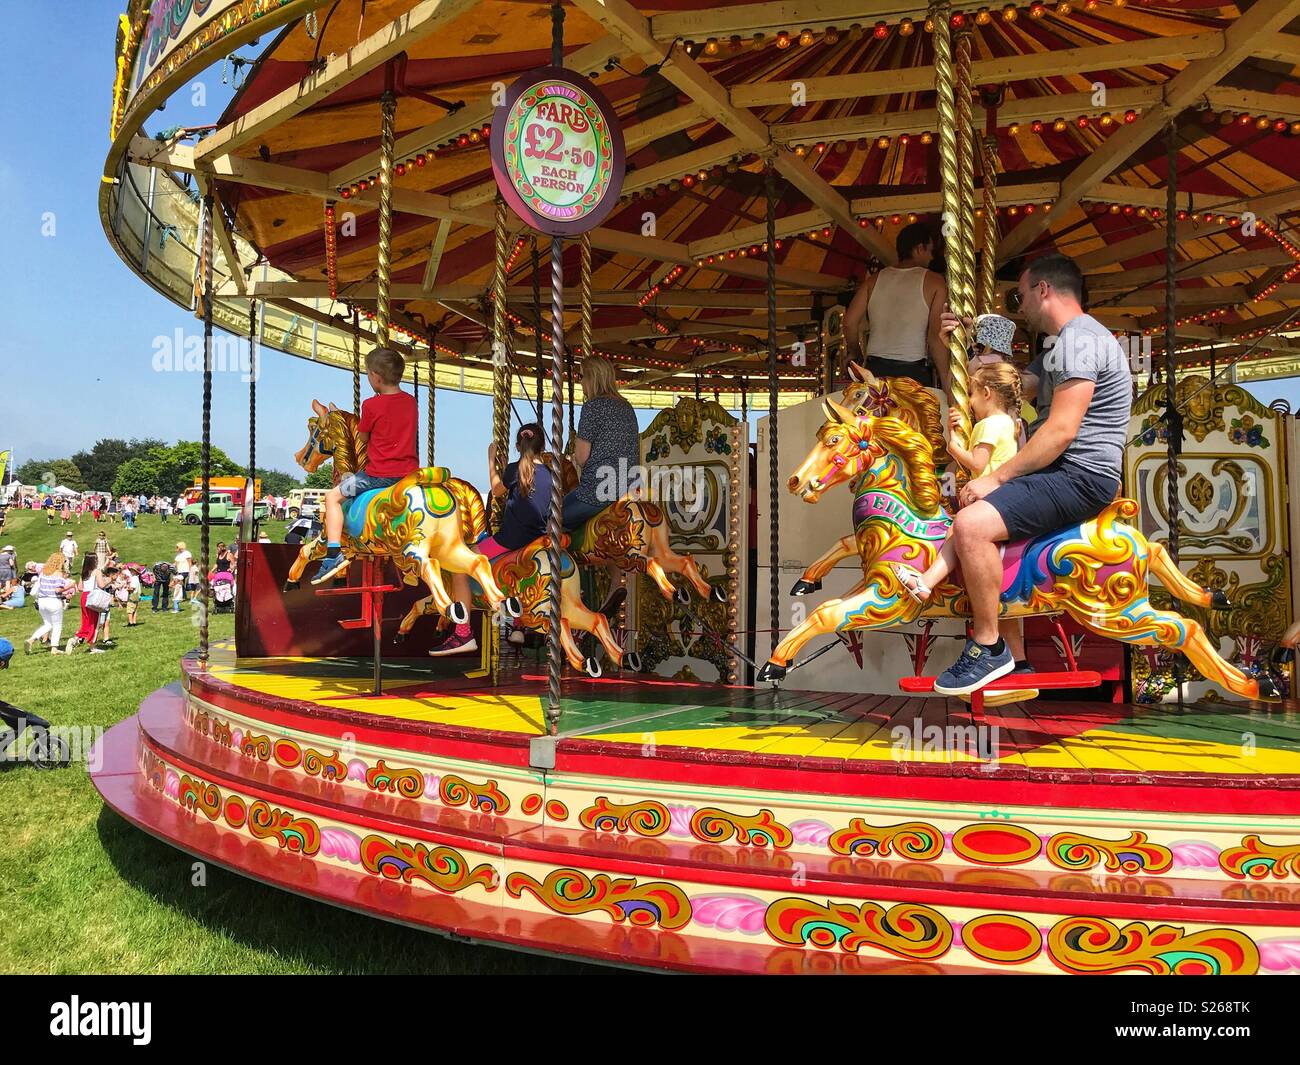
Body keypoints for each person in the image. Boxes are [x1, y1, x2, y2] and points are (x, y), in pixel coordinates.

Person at [932, 253, 1131, 696]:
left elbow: (1060, 432)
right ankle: (1016, 661)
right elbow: (1004, 389)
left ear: (1043, 290)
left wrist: (996, 477)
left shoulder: (1080, 340)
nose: (1019, 306)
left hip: (1080, 474)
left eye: (1020, 296)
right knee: (974, 517)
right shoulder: (1061, 346)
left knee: (971, 526)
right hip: (1064, 471)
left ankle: (988, 645)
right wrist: (963, 344)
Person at [890, 361, 1022, 602]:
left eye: (970, 394)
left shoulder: (989, 424)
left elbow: (977, 464)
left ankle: (926, 582)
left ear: (986, 393)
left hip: (990, 498)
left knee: (956, 530)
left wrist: (953, 446)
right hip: (1007, 495)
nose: (969, 401)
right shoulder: (1007, 422)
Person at [431, 424, 553, 658]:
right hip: (536, 539)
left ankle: (463, 633)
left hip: (509, 539)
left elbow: (496, 490)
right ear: (542, 447)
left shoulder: (514, 469)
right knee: (517, 574)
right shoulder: (549, 474)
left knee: (459, 566)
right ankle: (518, 624)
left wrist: (491, 460)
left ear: (519, 446)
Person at [315, 347, 418, 584]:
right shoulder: (410, 402)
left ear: (376, 377)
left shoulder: (371, 406)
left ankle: (333, 554)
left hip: (377, 477)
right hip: (409, 477)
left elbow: (362, 437)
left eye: (368, 374)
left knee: (332, 498)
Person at [561, 355, 640, 617]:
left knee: (549, 520)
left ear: (592, 378)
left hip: (596, 490)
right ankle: (615, 587)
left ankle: (564, 588)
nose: (580, 382)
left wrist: (574, 458)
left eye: (582, 377)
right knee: (612, 540)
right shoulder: (626, 407)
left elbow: (582, 457)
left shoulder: (593, 407)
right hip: (628, 490)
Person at [842, 221, 950, 390]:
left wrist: (854, 351)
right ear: (919, 248)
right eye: (930, 251)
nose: (931, 257)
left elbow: (849, 322)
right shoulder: (935, 282)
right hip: (913, 372)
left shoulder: (873, 280)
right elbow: (935, 337)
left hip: (874, 370)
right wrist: (945, 379)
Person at [26, 553, 75, 654]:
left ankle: (31, 640)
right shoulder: (58, 573)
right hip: (54, 601)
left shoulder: (44, 571)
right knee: (57, 625)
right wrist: (70, 585)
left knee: (48, 624)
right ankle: (54, 648)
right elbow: (57, 590)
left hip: (42, 601)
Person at [66, 556, 115, 654]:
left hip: (84, 596)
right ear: (94, 561)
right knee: (94, 622)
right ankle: (91, 645)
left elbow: (80, 588)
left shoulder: (84, 572)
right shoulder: (96, 571)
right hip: (93, 597)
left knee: (86, 621)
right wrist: (110, 579)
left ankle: (77, 638)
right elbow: (101, 585)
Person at [174, 540, 193, 604]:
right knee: (180, 584)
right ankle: (183, 596)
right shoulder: (178, 555)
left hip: (185, 571)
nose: (176, 548)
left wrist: (190, 571)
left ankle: (182, 597)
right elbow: (175, 563)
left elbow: (190, 562)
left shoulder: (187, 553)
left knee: (179, 581)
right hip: (179, 571)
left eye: (177, 547)